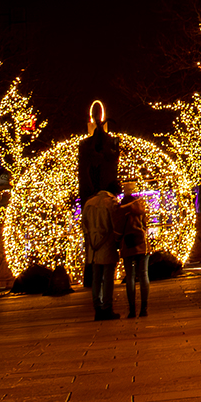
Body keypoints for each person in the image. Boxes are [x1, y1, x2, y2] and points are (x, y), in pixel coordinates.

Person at [77, 103, 118, 285]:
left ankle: (94, 280)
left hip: (98, 192)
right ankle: (95, 280)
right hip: (94, 192)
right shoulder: (87, 145)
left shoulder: (108, 142)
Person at [81, 184, 123, 322]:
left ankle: (97, 308)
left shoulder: (89, 203)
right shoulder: (111, 202)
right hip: (107, 243)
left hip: (93, 246)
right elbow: (116, 224)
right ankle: (107, 307)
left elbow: (84, 225)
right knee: (108, 278)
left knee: (96, 279)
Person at [117, 191, 150, 318]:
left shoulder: (122, 213)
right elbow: (146, 226)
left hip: (128, 247)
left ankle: (132, 309)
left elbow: (118, 229)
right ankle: (144, 308)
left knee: (130, 277)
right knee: (143, 275)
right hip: (142, 246)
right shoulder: (141, 211)